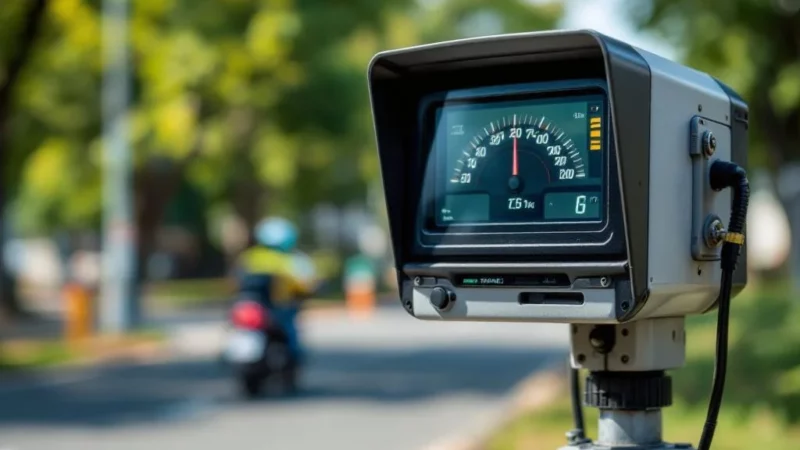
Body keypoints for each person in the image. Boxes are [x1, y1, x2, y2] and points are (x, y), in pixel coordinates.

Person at [235, 216, 315, 362]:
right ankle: (293, 356)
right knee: (291, 333)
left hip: (249, 305)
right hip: (277, 307)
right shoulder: (291, 260)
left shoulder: (250, 256)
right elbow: (303, 284)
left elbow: (235, 281)